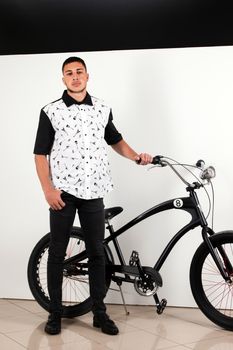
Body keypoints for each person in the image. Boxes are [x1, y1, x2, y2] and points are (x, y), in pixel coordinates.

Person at [33, 56, 153, 336]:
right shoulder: (50, 111)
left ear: (87, 76)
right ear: (63, 79)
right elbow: (40, 154)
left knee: (98, 253)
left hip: (94, 190)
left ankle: (100, 313)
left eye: (79, 72)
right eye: (69, 73)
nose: (75, 77)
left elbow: (115, 140)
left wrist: (136, 157)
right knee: (58, 254)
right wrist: (48, 189)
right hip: (63, 192)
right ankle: (55, 313)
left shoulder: (102, 109)